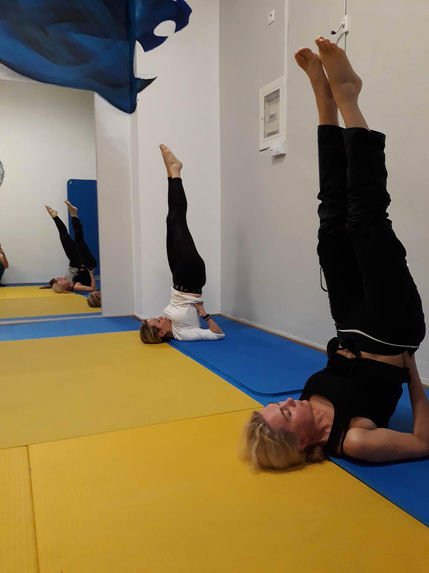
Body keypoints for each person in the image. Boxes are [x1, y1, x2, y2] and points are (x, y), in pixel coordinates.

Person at [242, 37, 429, 470]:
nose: (290, 400)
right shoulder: (355, 439)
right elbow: (422, 442)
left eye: (281, 404)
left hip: (348, 321)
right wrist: (413, 373)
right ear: (302, 442)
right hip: (392, 328)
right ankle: (348, 99)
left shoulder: (308, 400)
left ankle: (324, 104)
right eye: (287, 412)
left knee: (331, 222)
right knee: (365, 221)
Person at [140, 145, 225, 343]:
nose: (160, 317)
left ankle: (172, 173)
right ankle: (175, 173)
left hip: (177, 276)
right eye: (158, 321)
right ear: (162, 333)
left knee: (171, 220)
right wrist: (204, 314)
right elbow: (218, 334)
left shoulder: (171, 323)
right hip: (191, 277)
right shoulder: (182, 334)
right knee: (178, 220)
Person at [42, 200, 98, 293]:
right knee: (78, 239)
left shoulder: (67, 278)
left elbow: (72, 269)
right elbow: (93, 288)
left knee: (64, 237)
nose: (59, 278)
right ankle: (74, 215)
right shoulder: (75, 286)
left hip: (76, 262)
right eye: (59, 280)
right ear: (63, 286)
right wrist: (91, 274)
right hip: (88, 264)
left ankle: (56, 216)